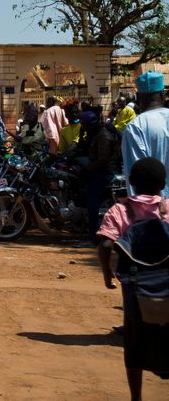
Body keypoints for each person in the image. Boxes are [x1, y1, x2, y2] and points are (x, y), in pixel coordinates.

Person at [96, 157, 169, 400]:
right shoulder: (167, 209)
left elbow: (105, 244)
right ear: (162, 184)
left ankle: (136, 396)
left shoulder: (121, 210)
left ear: (132, 183)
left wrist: (107, 274)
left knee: (134, 345)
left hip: (134, 290)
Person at [75, 109, 121, 247]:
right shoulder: (95, 133)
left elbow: (103, 159)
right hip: (99, 169)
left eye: (84, 124)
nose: (83, 127)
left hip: (104, 173)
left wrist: (86, 169)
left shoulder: (103, 136)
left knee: (92, 201)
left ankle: (93, 237)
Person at [123, 70, 169, 199]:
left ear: (137, 96)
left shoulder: (135, 127)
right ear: (162, 94)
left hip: (155, 210)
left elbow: (136, 172)